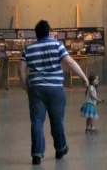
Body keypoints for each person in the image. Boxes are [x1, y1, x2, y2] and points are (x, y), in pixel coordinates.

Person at [19, 20, 89, 166]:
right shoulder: (57, 45)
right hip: (55, 89)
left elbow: (21, 70)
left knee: (37, 121)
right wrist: (83, 77)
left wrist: (26, 86)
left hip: (36, 89)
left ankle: (37, 155)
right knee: (57, 120)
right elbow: (69, 62)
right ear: (49, 32)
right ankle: (60, 148)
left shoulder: (28, 49)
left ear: (36, 34)